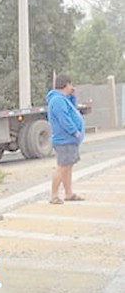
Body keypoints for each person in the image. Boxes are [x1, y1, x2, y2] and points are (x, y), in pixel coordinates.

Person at [46, 75, 85, 204]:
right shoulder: (57, 100)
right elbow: (64, 118)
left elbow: (73, 109)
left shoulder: (64, 99)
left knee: (68, 166)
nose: (72, 87)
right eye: (70, 85)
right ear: (66, 85)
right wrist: (74, 132)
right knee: (62, 167)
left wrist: (73, 96)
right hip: (64, 139)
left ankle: (68, 193)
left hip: (68, 140)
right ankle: (54, 195)